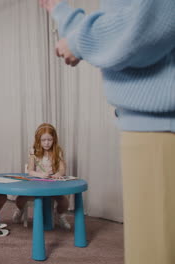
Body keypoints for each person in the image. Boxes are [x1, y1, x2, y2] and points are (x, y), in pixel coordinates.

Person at [38, 0, 175, 263]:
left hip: (158, 129)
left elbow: (142, 26)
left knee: (153, 253)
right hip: (149, 128)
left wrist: (76, 38)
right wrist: (64, 16)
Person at [12, 123, 71, 230]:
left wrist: (58, 174)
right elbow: (30, 171)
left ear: (54, 139)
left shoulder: (58, 152)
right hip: (36, 185)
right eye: (43, 140)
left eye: (50, 140)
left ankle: (59, 215)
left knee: (64, 202)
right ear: (38, 140)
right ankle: (20, 210)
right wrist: (40, 174)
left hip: (52, 186)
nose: (47, 143)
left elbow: (62, 169)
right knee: (20, 199)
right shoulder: (34, 152)